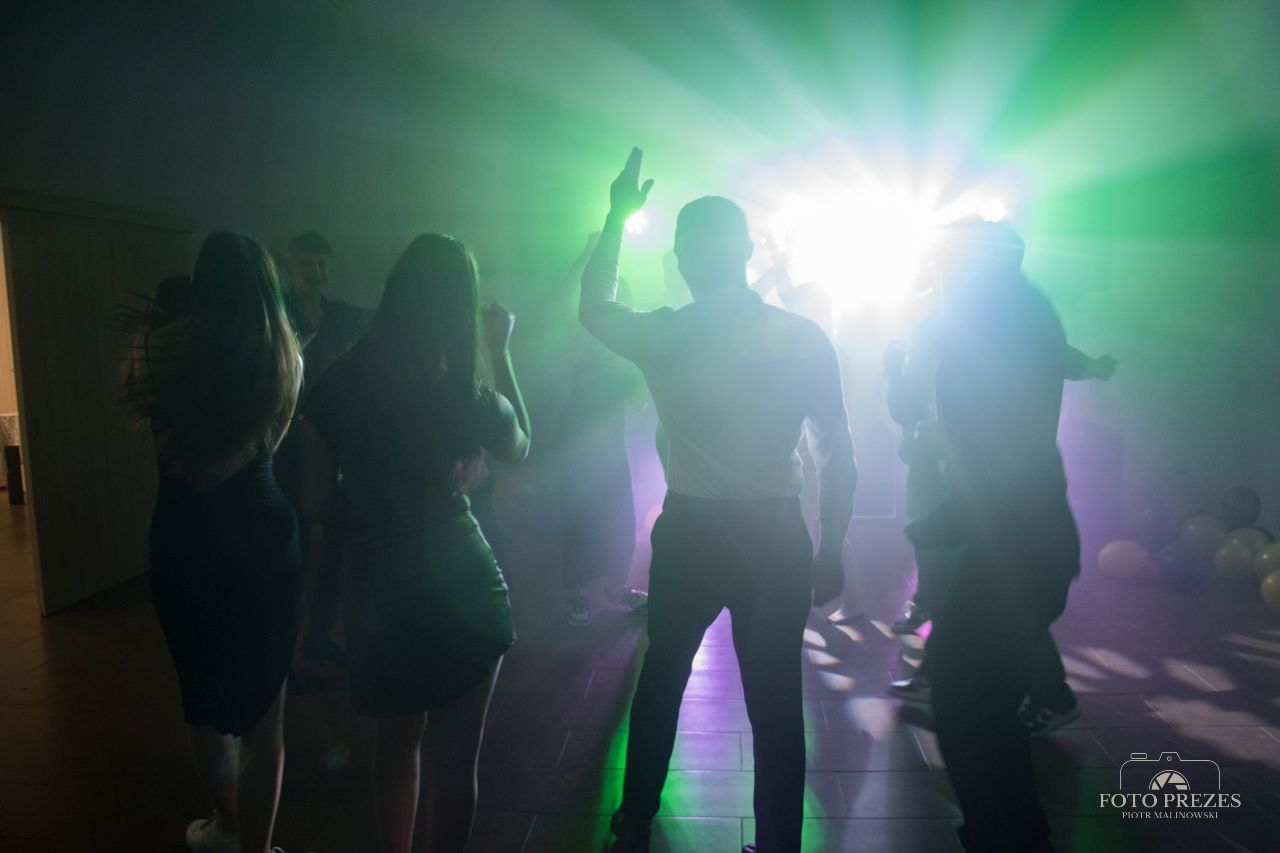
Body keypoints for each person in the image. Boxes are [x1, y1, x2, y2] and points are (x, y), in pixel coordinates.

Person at [582, 150, 856, 853]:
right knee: (776, 700)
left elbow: (594, 307)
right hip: (774, 535)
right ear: (747, 252)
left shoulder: (667, 333)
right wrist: (832, 544)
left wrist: (616, 216)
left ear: (680, 260)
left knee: (662, 679)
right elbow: (839, 452)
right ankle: (778, 845)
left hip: (694, 531)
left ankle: (633, 824)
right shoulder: (801, 337)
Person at [298, 234, 530, 853]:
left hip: (376, 582)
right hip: (462, 580)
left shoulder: (337, 385)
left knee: (397, 745)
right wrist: (499, 350)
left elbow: (315, 503)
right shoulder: (465, 393)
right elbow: (520, 446)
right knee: (457, 763)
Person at [121, 233, 304, 853]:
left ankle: (224, 827)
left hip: (184, 533)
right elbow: (271, 443)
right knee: (266, 720)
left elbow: (159, 440)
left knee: (199, 699)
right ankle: (257, 848)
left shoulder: (158, 349)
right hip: (260, 533)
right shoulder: (283, 354)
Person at [906, 220, 1080, 852]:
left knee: (965, 706)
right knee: (978, 707)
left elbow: (1000, 458)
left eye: (949, 262)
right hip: (1029, 543)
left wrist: (947, 518)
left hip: (1016, 549)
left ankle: (1007, 836)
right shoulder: (1022, 323)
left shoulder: (990, 343)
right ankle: (1010, 834)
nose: (940, 273)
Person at [276, 232, 373, 669]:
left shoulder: (342, 316)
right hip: (288, 441)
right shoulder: (278, 312)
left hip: (332, 439)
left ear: (330, 268)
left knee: (334, 544)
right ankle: (284, 655)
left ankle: (317, 637)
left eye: (320, 263)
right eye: (306, 262)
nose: (314, 271)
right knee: (291, 549)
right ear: (292, 266)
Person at [554, 233, 649, 626]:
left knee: (619, 516)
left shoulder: (631, 354)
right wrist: (587, 254)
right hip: (574, 440)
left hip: (610, 442)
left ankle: (614, 586)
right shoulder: (583, 338)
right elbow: (566, 298)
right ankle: (575, 593)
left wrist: (641, 369)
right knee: (578, 513)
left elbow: (638, 404)